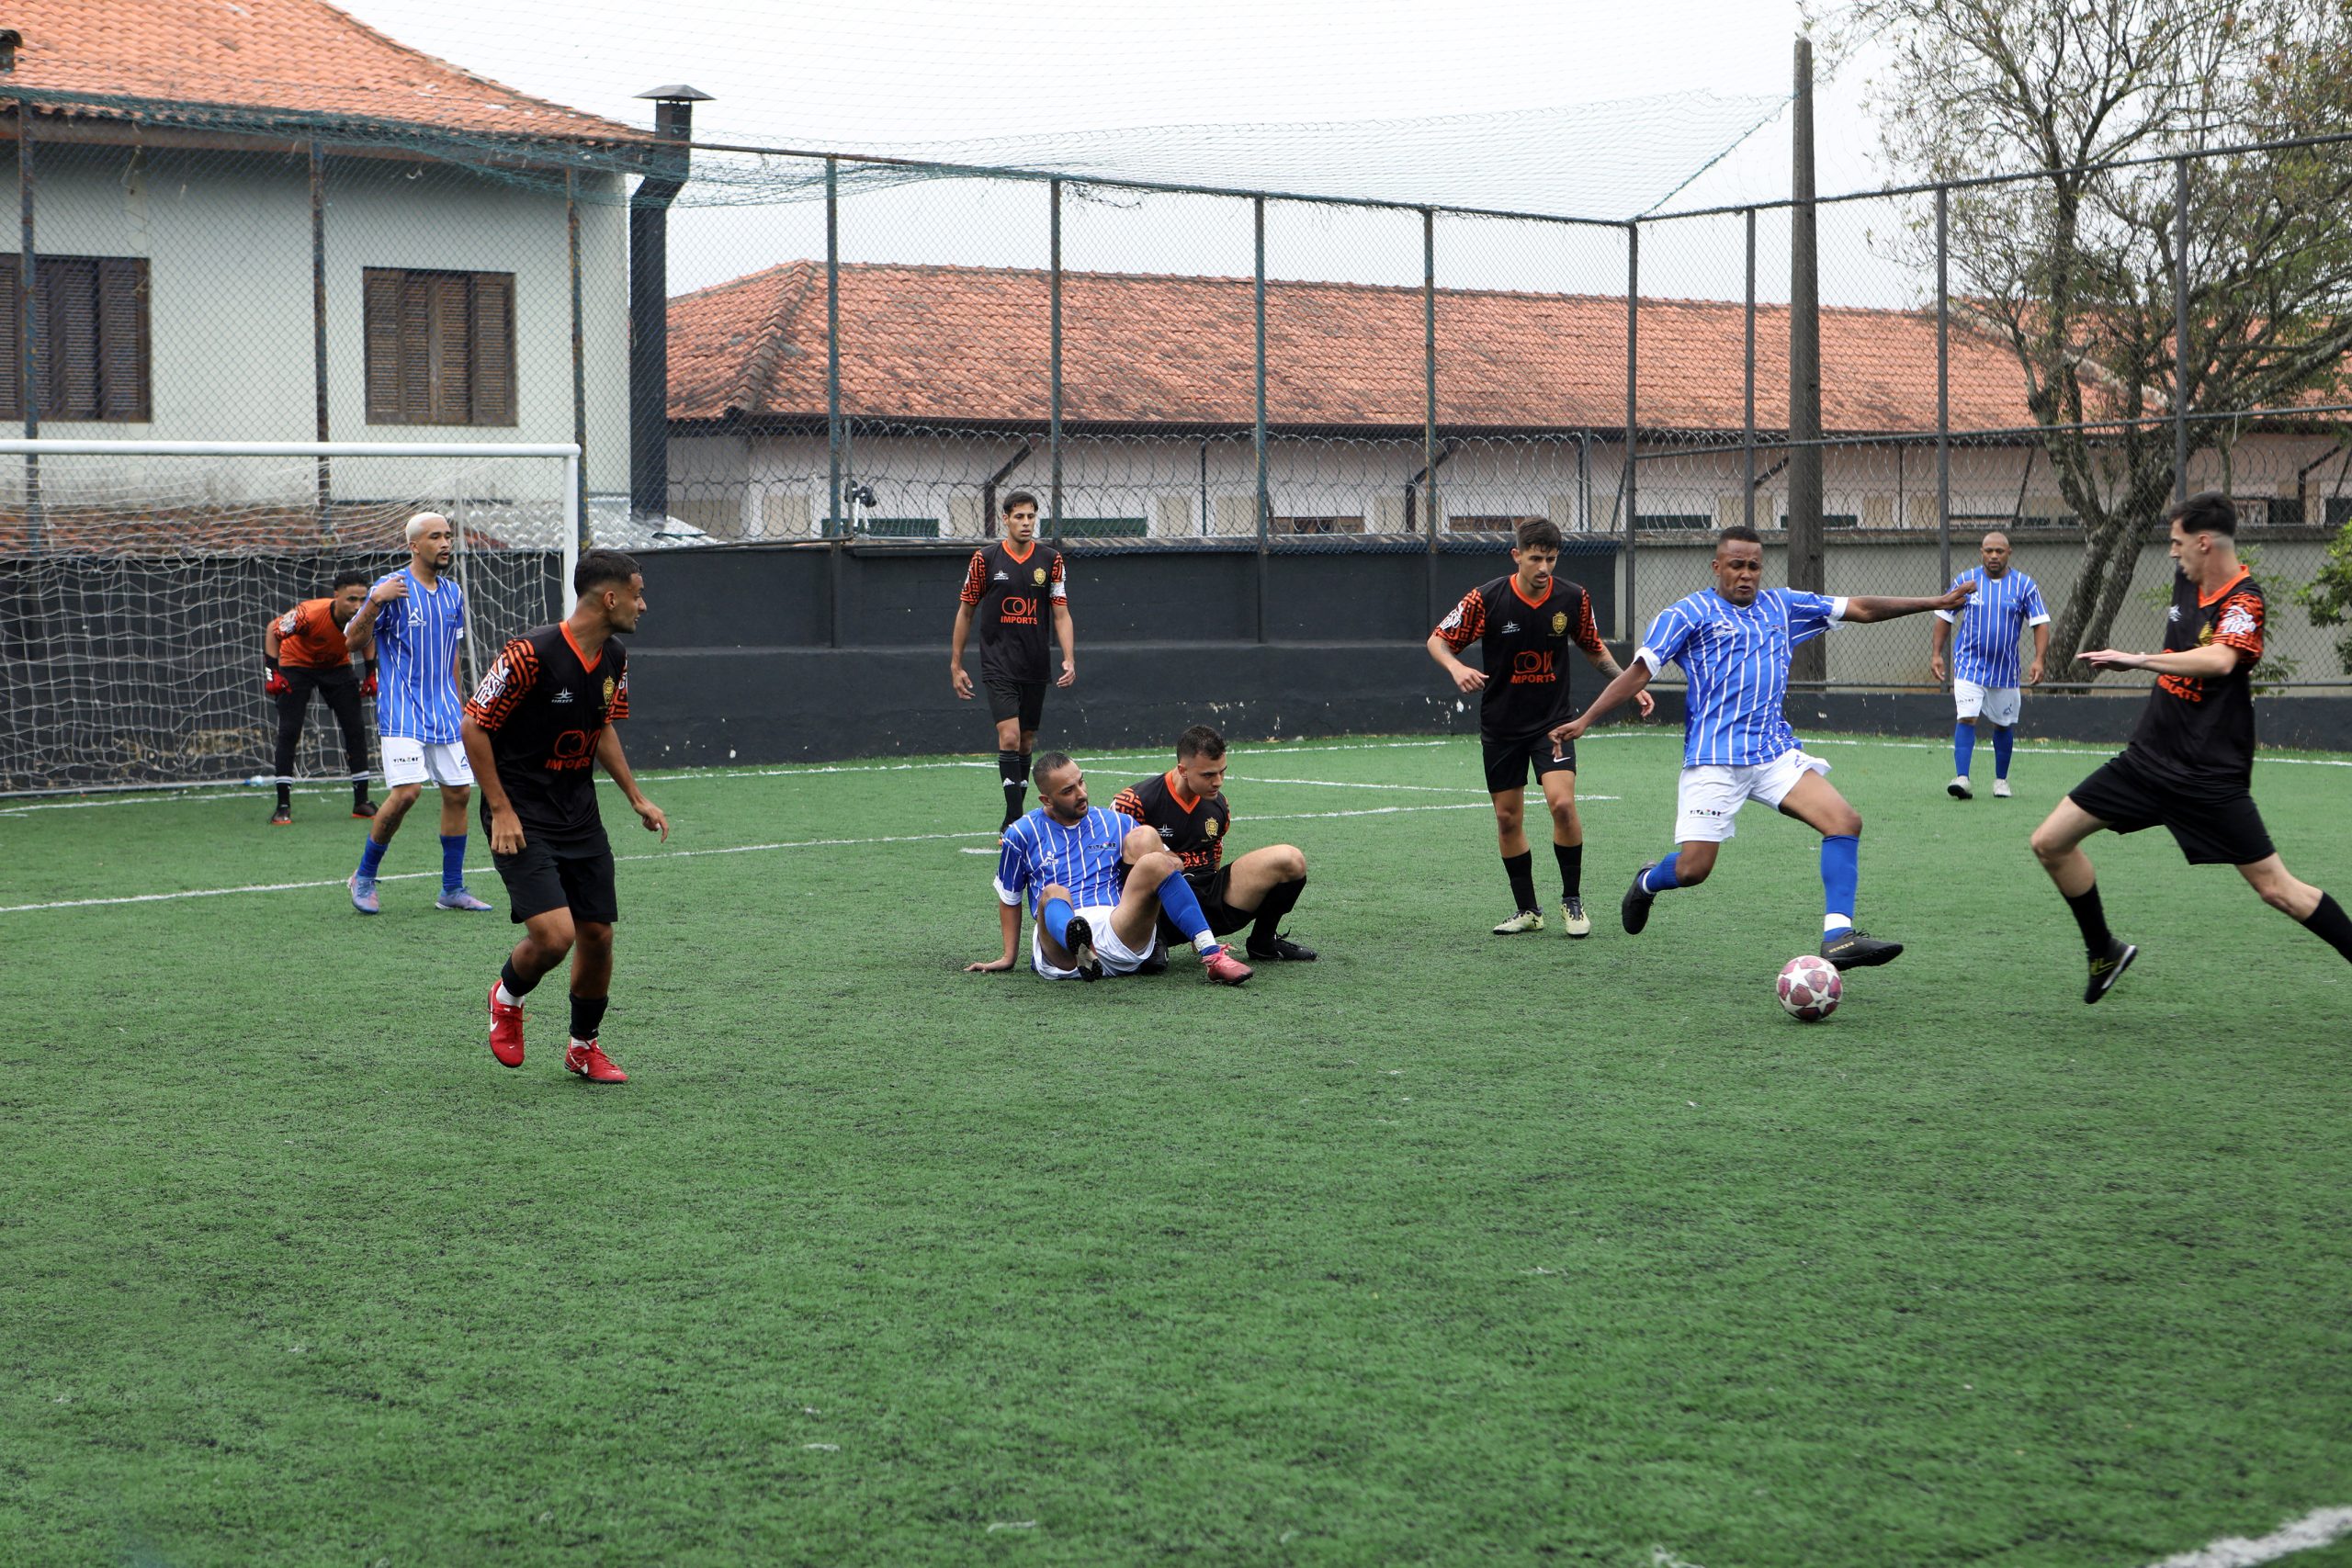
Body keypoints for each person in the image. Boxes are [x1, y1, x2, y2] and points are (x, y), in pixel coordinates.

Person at [1550, 525, 1973, 970]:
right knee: (1694, 869)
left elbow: (1860, 608)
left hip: (1772, 753)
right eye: (1736, 565)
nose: (1746, 574)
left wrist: (1936, 603)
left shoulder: (1783, 605)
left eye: (1754, 565)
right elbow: (1638, 672)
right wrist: (1585, 720)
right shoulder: (1687, 614)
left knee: (1845, 822)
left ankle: (1838, 936)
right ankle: (1648, 882)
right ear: (1717, 567)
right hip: (1714, 759)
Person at [2029, 491, 2352, 1002]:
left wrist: (2137, 660)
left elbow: (2221, 661)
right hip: (2147, 761)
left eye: (2178, 542)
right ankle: (2105, 951)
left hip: (2208, 779)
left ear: (2205, 543)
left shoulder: (2245, 601)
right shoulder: (2187, 580)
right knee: (2049, 842)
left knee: (2276, 889)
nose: (2172, 552)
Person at [462, 550, 669, 1082]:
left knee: (598, 935)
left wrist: (636, 797)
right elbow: (474, 726)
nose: (643, 605)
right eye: (638, 594)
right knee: (556, 937)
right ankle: (507, 998)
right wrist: (501, 809)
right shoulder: (528, 654)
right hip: (523, 814)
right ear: (610, 597)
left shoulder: (615, 657)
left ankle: (583, 1047)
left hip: (580, 814)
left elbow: (602, 728)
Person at [1426, 517, 1652, 936]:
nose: (1544, 567)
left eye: (1550, 558)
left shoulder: (1573, 598)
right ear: (1517, 556)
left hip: (1553, 724)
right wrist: (1456, 666)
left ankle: (1572, 902)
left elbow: (1593, 648)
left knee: (1562, 805)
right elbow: (1438, 639)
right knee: (1507, 819)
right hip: (1501, 725)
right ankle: (1528, 910)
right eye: (1535, 558)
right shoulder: (1487, 598)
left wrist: (1629, 685)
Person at [966, 751, 1253, 984]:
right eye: (1068, 790)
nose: (1081, 793)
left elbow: (1172, 862)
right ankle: (1079, 944)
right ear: (1046, 799)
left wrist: (1150, 854)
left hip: (1118, 928)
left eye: (1081, 782)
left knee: (1154, 859)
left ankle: (1212, 954)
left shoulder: (1115, 822)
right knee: (1053, 892)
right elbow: (1009, 898)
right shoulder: (1021, 833)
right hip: (1058, 948)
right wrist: (1008, 957)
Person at [341, 513, 492, 915]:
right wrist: (375, 601)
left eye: (447, 536)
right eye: (435, 537)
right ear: (413, 545)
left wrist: (462, 705)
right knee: (407, 794)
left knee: (459, 793)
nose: (445, 543)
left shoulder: (453, 593)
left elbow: (453, 654)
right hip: (403, 711)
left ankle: (452, 889)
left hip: (445, 711)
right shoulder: (391, 589)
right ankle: (365, 876)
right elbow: (351, 642)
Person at [1111, 725, 1317, 964]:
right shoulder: (1134, 801)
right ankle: (1152, 941)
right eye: (1208, 775)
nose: (1218, 781)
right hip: (1157, 908)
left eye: (1222, 772)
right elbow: (1112, 868)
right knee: (1143, 838)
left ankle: (1263, 941)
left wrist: (1198, 925)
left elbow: (1214, 857)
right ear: (1183, 770)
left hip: (1208, 898)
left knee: (1291, 859)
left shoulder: (1219, 804)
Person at [950, 491, 1076, 829]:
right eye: (1019, 517)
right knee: (1008, 736)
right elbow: (966, 611)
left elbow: (1061, 613)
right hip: (998, 663)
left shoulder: (1051, 560)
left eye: (1031, 517)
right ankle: (1014, 821)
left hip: (1035, 664)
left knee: (1025, 740)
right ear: (1005, 519)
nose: (1026, 523)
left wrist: (1068, 658)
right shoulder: (985, 559)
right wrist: (956, 664)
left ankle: (1014, 819)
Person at [1930, 530, 2051, 799]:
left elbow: (2040, 623)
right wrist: (1937, 653)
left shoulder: (2024, 585)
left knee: (2004, 724)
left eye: (1999, 551)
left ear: (2009, 553)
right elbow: (1944, 614)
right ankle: (1962, 778)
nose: (1994, 556)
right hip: (1969, 665)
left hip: (2005, 671)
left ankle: (2001, 781)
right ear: (1981, 553)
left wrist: (2039, 659)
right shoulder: (1965, 581)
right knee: (1967, 717)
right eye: (1988, 551)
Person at [264, 568, 379, 824]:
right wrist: (272, 672)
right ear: (336, 595)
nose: (358, 605)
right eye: (351, 599)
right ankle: (283, 805)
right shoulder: (310, 613)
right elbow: (274, 629)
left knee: (356, 729)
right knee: (289, 730)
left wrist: (371, 672)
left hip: (336, 668)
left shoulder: (365, 614)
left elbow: (367, 635)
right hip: (296, 666)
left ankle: (362, 802)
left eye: (362, 599)